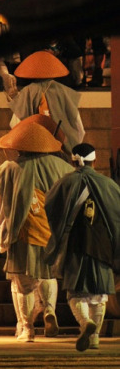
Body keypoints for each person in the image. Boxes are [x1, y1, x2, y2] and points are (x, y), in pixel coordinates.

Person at [0, 117, 74, 342]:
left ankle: (27, 328)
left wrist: (4, 233)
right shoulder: (64, 167)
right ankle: (49, 310)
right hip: (51, 232)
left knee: (21, 283)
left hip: (23, 232)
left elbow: (0, 204)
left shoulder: (11, 168)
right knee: (48, 276)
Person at [45, 142, 120, 351]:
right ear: (95, 161)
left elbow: (51, 207)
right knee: (100, 294)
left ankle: (86, 323)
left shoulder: (65, 182)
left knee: (75, 293)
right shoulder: (109, 185)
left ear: (72, 161)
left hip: (75, 244)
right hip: (102, 246)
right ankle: (94, 337)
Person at [9, 50, 85, 154]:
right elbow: (78, 125)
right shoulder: (64, 91)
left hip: (34, 149)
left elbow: (15, 124)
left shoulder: (27, 92)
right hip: (61, 148)